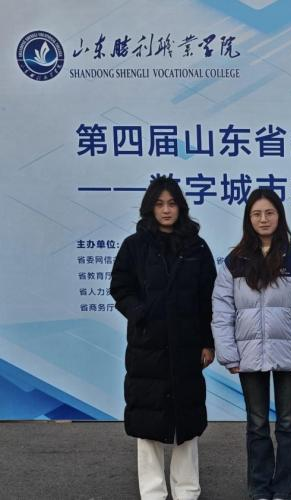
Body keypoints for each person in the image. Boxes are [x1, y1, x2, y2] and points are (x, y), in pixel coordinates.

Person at [212, 188, 291, 500]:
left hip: (290, 354)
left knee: (287, 423)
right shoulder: (235, 262)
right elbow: (222, 310)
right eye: (257, 214)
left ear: (279, 216)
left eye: (269, 213)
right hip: (248, 354)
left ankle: (283, 488)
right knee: (257, 423)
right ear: (248, 219)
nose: (263, 219)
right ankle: (260, 487)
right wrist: (228, 353)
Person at [111, 176, 216, 500]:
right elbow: (120, 287)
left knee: (187, 421)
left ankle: (187, 490)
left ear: (180, 207)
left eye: (171, 203)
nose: (166, 210)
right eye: (159, 204)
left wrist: (207, 341)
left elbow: (208, 297)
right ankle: (153, 492)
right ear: (150, 208)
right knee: (148, 420)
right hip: (148, 346)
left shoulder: (196, 246)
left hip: (187, 345)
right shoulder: (134, 245)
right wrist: (139, 313)